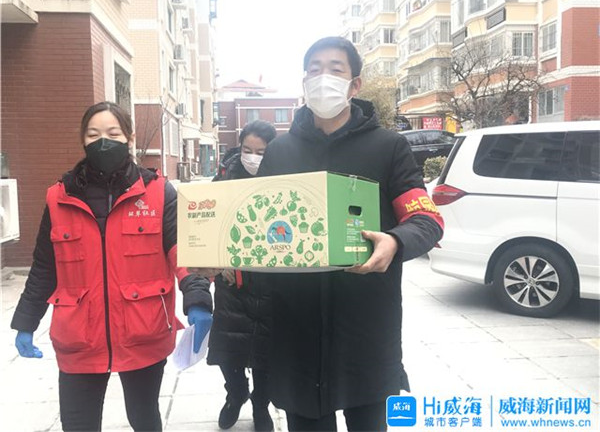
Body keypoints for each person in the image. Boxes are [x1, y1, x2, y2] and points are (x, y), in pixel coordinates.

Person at [256, 37, 445, 431]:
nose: (323, 77)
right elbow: (258, 228)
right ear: (304, 81)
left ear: (355, 84)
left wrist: (396, 241)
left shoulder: (388, 147)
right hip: (297, 328)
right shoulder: (280, 152)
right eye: (314, 69)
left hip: (365, 326)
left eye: (335, 69)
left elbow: (426, 219)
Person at [10, 101, 214, 431]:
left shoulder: (158, 192)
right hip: (80, 336)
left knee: (144, 418)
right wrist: (26, 321)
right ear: (83, 140)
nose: (103, 141)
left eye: (113, 133)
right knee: (78, 424)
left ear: (129, 138)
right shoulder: (59, 198)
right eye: (93, 135)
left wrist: (198, 299)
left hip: (143, 330)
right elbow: (45, 267)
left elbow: (183, 252)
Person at [207, 120, 277, 431]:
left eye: (260, 152)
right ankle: (236, 394)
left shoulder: (284, 177)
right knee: (228, 348)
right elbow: (205, 223)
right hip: (231, 281)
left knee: (265, 351)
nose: (252, 157)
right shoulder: (224, 177)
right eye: (247, 149)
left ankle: (261, 405)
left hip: (271, 281)